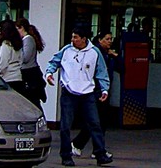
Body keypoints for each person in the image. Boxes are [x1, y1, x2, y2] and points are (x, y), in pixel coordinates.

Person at [45, 25, 113, 167]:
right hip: (69, 92)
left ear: (84, 39)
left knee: (95, 123)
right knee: (65, 125)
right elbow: (54, 62)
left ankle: (100, 153)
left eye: (76, 37)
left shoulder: (94, 52)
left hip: (87, 93)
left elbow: (101, 71)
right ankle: (66, 155)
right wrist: (49, 73)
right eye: (72, 37)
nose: (73, 40)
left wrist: (104, 89)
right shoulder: (66, 50)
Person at [72, 30, 118, 159]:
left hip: (103, 90)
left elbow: (121, 67)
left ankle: (97, 149)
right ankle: (80, 144)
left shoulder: (107, 54)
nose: (110, 41)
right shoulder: (95, 53)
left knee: (101, 121)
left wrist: (115, 56)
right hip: (96, 90)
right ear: (100, 40)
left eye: (111, 39)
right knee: (95, 120)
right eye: (107, 39)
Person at [16, 17, 47, 105]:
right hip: (29, 72)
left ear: (22, 28)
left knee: (32, 100)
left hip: (30, 73)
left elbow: (25, 57)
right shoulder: (26, 39)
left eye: (17, 29)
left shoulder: (28, 39)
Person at [0, 20, 24, 94]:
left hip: (6, 78)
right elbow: (21, 60)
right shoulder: (17, 44)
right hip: (17, 77)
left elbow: (2, 63)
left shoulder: (5, 44)